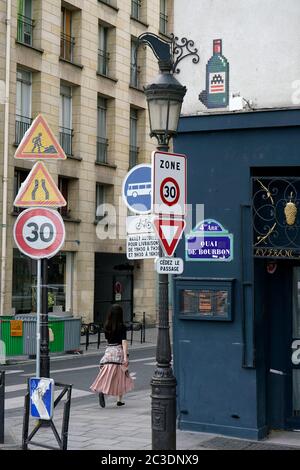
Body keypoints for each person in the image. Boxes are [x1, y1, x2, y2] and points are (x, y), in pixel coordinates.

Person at [90, 304, 134, 407]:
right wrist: (125, 356)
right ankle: (119, 399)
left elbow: (107, 340)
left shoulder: (106, 325)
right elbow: (124, 342)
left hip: (109, 350)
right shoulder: (121, 326)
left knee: (107, 373)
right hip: (118, 351)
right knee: (121, 375)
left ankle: (103, 390)